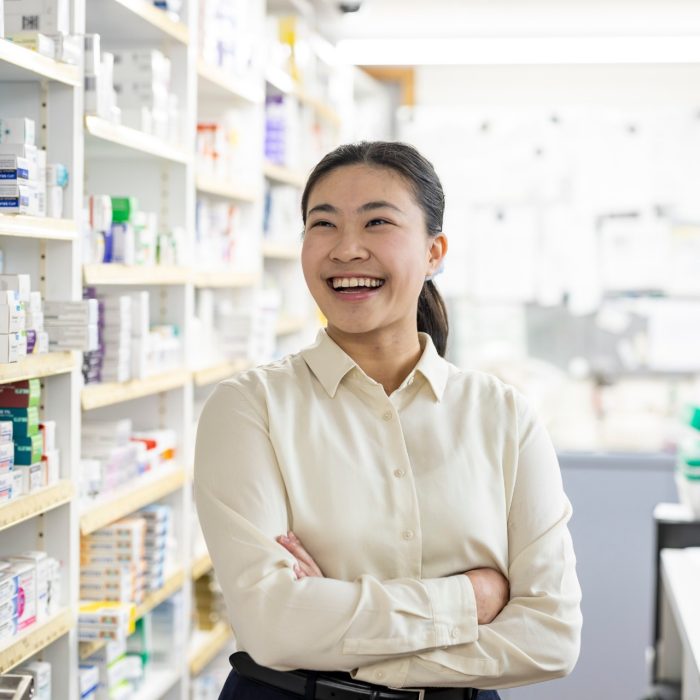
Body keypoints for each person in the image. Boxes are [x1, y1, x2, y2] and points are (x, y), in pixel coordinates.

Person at [194, 141, 582, 700]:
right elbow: (274, 626)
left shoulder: (503, 417)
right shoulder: (249, 408)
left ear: (435, 252)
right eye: (322, 225)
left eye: (378, 222)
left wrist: (351, 645)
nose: (347, 249)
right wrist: (469, 602)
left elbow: (550, 636)